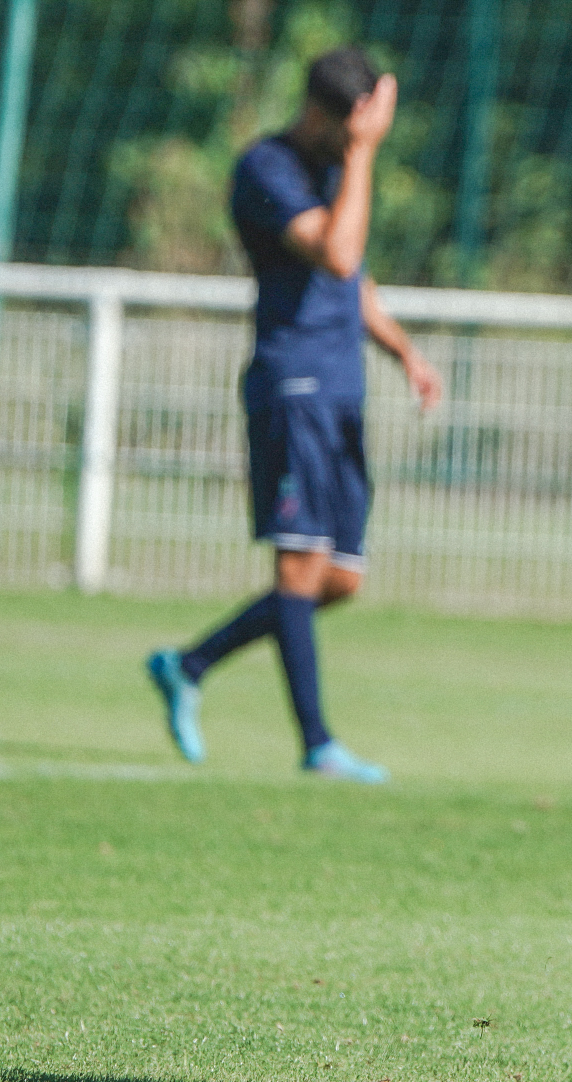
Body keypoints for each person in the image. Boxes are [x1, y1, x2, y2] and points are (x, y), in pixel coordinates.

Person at [146, 47, 442, 783]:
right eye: (356, 127)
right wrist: (366, 152)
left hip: (343, 385)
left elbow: (358, 281)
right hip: (295, 383)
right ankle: (317, 745)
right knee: (300, 562)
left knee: (339, 578)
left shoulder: (341, 166)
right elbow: (337, 255)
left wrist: (403, 351)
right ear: (326, 113)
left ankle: (190, 663)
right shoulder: (266, 169)